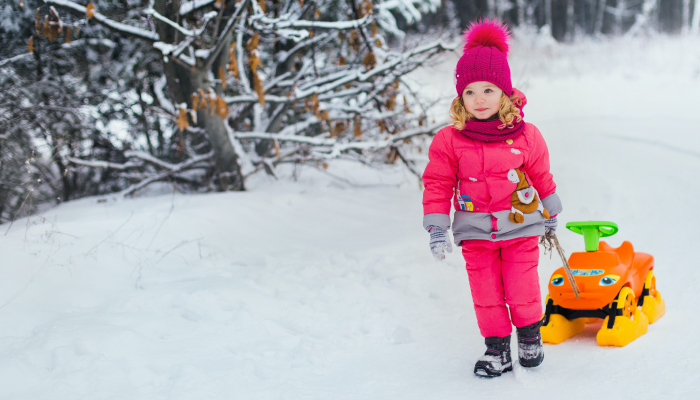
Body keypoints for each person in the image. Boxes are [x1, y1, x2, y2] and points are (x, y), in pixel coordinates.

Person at [422, 19, 563, 378]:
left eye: (488, 90)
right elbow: (437, 183)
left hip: (520, 225)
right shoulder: (449, 140)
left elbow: (542, 175)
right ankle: (496, 349)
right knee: (485, 292)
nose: (479, 99)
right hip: (475, 231)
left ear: (504, 92)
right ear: (459, 97)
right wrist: (437, 227)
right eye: (469, 92)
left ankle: (530, 335)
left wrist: (550, 209)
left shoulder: (527, 135)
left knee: (522, 286)